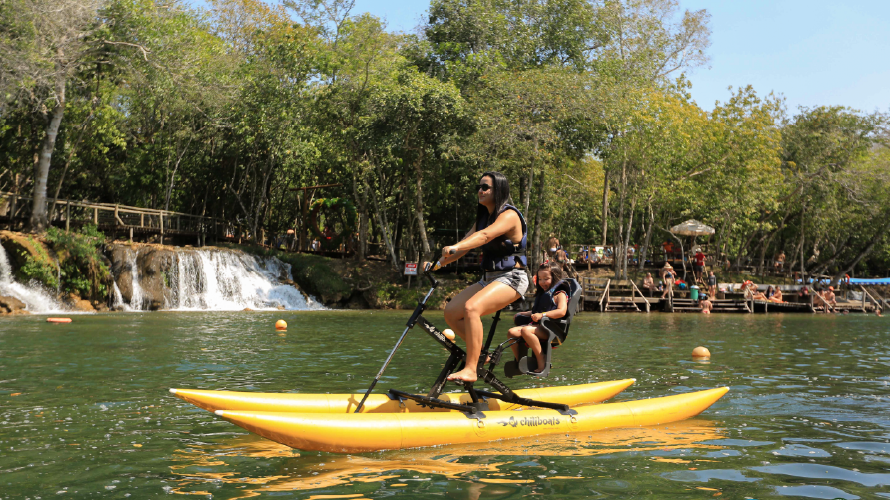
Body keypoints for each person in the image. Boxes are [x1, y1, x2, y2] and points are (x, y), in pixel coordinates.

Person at [433, 172, 529, 384]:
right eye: (479, 187)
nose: (480, 190)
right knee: (451, 312)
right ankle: (482, 354)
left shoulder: (509, 215)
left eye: (485, 187)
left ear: (499, 191)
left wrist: (456, 246)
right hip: (489, 278)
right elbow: (463, 247)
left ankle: (471, 369)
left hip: (512, 278)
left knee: (471, 308)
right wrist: (437, 264)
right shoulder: (483, 219)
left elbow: (484, 237)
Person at [508, 263, 568, 373]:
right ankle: (521, 362)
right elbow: (537, 312)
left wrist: (543, 315)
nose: (542, 282)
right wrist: (526, 313)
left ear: (555, 278)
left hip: (551, 330)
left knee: (526, 330)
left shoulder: (560, 294)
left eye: (546, 279)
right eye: (540, 279)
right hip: (538, 326)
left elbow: (561, 311)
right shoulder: (543, 293)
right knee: (511, 333)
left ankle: (541, 359)